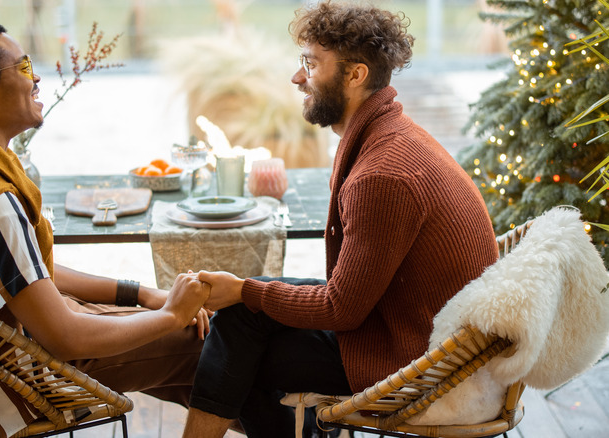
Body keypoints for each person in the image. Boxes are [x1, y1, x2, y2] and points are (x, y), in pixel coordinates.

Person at [182, 2, 499, 437]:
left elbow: (341, 309)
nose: (297, 78)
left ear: (355, 75)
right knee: (240, 317)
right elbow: (348, 297)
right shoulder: (390, 135)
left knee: (239, 352)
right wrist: (244, 292)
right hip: (407, 324)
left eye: (311, 64)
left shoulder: (383, 174)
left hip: (420, 360)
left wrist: (242, 289)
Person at [0, 22, 211, 438]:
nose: (37, 77)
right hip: (10, 385)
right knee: (215, 343)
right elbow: (66, 337)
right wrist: (170, 315)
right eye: (23, 67)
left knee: (207, 356)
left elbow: (26, 272)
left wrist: (142, 295)